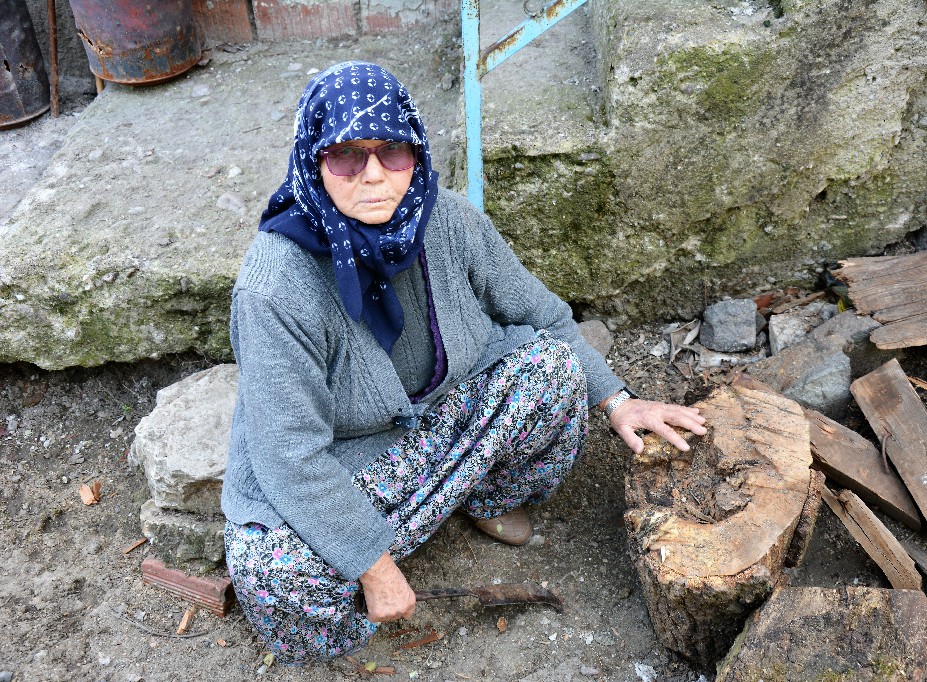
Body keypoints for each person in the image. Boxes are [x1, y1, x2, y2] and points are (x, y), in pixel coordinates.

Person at [220, 61, 707, 665]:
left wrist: (618, 400)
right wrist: (372, 565)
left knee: (555, 370)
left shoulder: (445, 219)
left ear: (416, 154)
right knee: (271, 571)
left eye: (392, 151)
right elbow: (289, 457)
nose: (373, 174)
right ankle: (367, 581)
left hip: (437, 418)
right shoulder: (275, 287)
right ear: (312, 161)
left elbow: (542, 314)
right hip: (345, 463)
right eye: (345, 156)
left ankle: (487, 498)